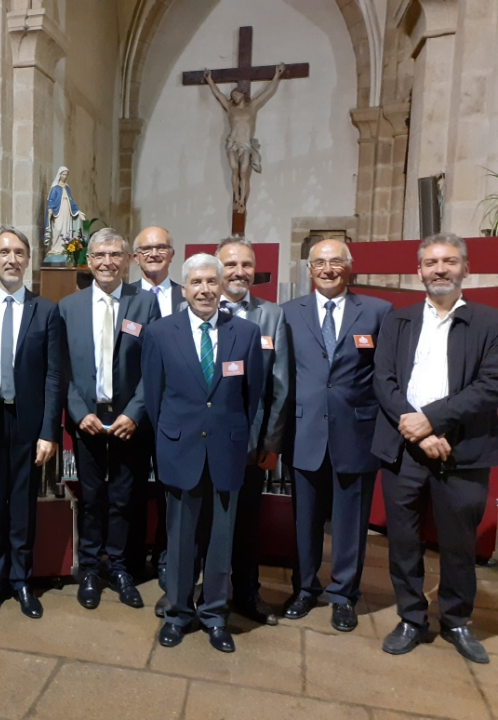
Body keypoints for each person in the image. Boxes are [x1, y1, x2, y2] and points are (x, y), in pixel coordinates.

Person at [373, 234, 498, 664]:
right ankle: (410, 616)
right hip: (404, 448)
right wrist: (420, 430)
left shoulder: (490, 321)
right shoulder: (399, 319)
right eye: (430, 263)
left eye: (448, 261)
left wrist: (435, 419)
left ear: (465, 268)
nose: (439, 269)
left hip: (464, 451)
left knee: (459, 542)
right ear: (420, 270)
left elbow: (491, 385)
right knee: (403, 539)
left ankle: (457, 620)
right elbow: (384, 381)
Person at [142, 253, 263, 652]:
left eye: (212, 281)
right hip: (181, 450)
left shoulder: (244, 333)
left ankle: (214, 615)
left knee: (220, 541)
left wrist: (238, 438)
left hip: (226, 452)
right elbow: (155, 399)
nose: (206, 290)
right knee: (179, 540)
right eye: (197, 283)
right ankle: (177, 613)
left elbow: (252, 397)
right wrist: (174, 438)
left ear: (222, 285)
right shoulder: (161, 333)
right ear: (184, 288)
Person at [281, 238, 392, 632]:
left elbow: (386, 374)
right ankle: (305, 588)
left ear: (350, 266)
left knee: (351, 522)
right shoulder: (288, 313)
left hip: (356, 431)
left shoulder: (378, 311)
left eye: (335, 262)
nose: (327, 269)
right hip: (304, 430)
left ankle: (344, 594)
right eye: (319, 263)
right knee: (304, 519)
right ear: (308, 270)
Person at [60, 228, 160, 610]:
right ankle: (88, 568)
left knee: (123, 497)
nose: (107, 262)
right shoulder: (69, 307)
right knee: (90, 497)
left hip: (127, 422)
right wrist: (78, 410)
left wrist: (135, 413)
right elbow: (61, 369)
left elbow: (154, 368)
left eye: (115, 255)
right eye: (99, 255)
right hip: (85, 419)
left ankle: (119, 567)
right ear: (89, 261)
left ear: (128, 260)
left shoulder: (144, 304)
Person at [0, 228, 64, 620]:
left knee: (23, 505)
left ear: (27, 260)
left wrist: (48, 432)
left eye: (19, 252)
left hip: (27, 423)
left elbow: (54, 376)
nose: (12, 258)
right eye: (4, 252)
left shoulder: (46, 310)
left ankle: (21, 580)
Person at [216, 237, 291, 626]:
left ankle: (247, 591)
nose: (239, 272)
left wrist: (270, 441)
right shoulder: (194, 308)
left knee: (246, 522)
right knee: (204, 521)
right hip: (207, 439)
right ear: (217, 268)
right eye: (230, 264)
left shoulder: (271, 316)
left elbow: (280, 383)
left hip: (249, 442)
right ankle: (203, 590)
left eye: (246, 264)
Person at [130, 225, 180, 617]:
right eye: (145, 248)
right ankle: (131, 562)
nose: (153, 253)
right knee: (130, 489)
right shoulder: (126, 297)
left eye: (160, 247)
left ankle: (166, 558)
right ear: (135, 257)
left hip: (176, 414)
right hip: (135, 413)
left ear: (172, 252)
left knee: (170, 492)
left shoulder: (188, 296)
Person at [203, 63, 285, 214]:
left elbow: (266, 92)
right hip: (232, 144)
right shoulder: (230, 108)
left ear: (242, 94)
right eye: (232, 96)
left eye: (236, 94)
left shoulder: (251, 107)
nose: (233, 96)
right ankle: (236, 198)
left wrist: (277, 75)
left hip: (245, 145)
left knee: (243, 174)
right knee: (234, 173)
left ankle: (242, 201)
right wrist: (209, 80)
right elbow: (218, 94)